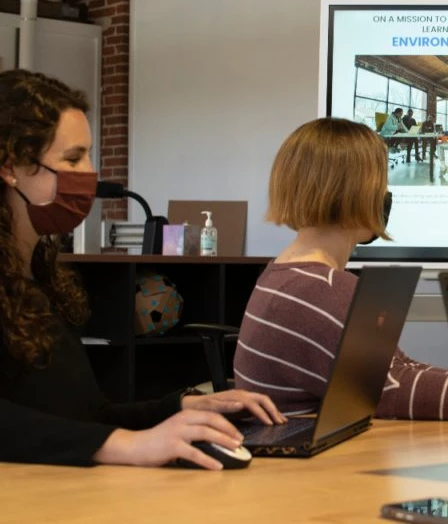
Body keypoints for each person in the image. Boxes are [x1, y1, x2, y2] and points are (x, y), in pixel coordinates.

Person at [0, 69, 286, 470]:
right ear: (11, 166)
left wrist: (183, 407)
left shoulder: (41, 279)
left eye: (89, 155)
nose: (90, 174)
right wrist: (122, 446)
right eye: (73, 158)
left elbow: (85, 418)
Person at [233, 118, 448, 420]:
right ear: (358, 192)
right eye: (381, 182)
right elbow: (395, 389)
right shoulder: (321, 289)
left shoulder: (284, 274)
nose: (385, 193)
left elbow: (396, 368)